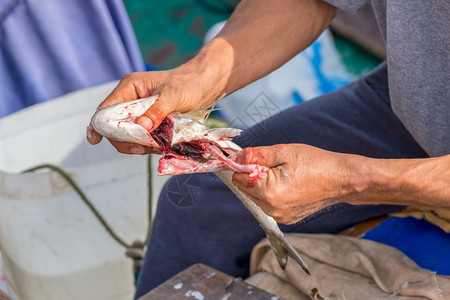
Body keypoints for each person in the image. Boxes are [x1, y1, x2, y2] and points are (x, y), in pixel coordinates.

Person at [86, 0, 449, 297]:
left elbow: (353, 180)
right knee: (194, 203)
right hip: (414, 94)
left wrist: (353, 180)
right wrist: (199, 76)